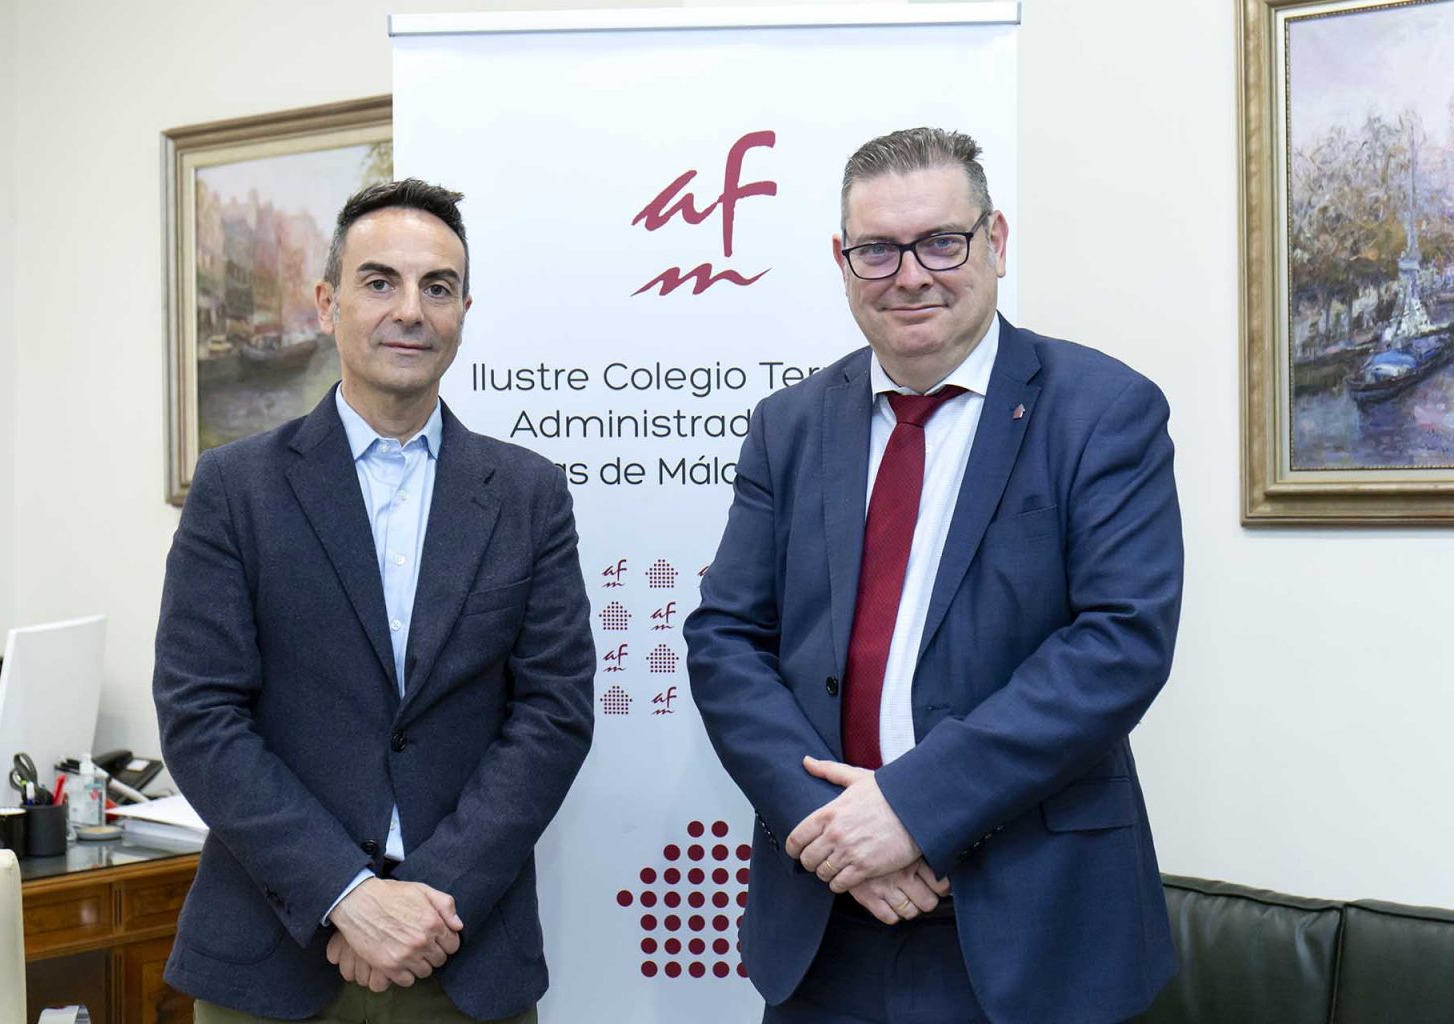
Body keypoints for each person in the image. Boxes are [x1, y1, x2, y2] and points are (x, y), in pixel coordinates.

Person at [685, 128, 1183, 1024]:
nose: (910, 276)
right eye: (877, 250)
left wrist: (911, 809)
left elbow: (1120, 644)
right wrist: (833, 832)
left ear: (996, 241)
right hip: (827, 923)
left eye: (941, 243)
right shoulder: (788, 426)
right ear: (842, 262)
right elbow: (726, 640)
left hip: (1036, 926)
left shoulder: (1104, 411)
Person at [154, 179, 595, 1024]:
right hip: (275, 957)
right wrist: (345, 893)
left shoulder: (528, 495)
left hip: (460, 951)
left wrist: (427, 900)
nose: (410, 311)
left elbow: (554, 713)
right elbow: (200, 715)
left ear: (464, 311)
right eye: (380, 281)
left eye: (438, 288)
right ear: (327, 304)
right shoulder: (236, 489)